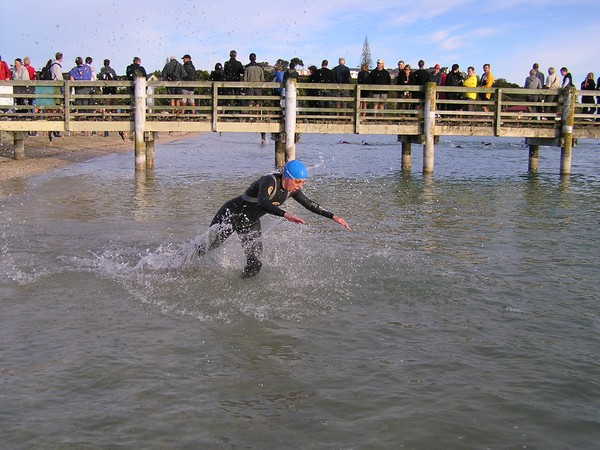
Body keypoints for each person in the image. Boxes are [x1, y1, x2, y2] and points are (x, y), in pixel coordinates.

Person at [196, 160, 351, 277]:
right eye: (297, 181)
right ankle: (180, 264)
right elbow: (263, 202)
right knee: (206, 248)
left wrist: (334, 216)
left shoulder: (292, 190)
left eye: (303, 182)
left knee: (255, 264)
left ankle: (240, 286)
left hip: (249, 222)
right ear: (287, 176)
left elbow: (310, 204)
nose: (300, 186)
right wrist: (285, 214)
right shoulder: (269, 181)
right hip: (231, 215)